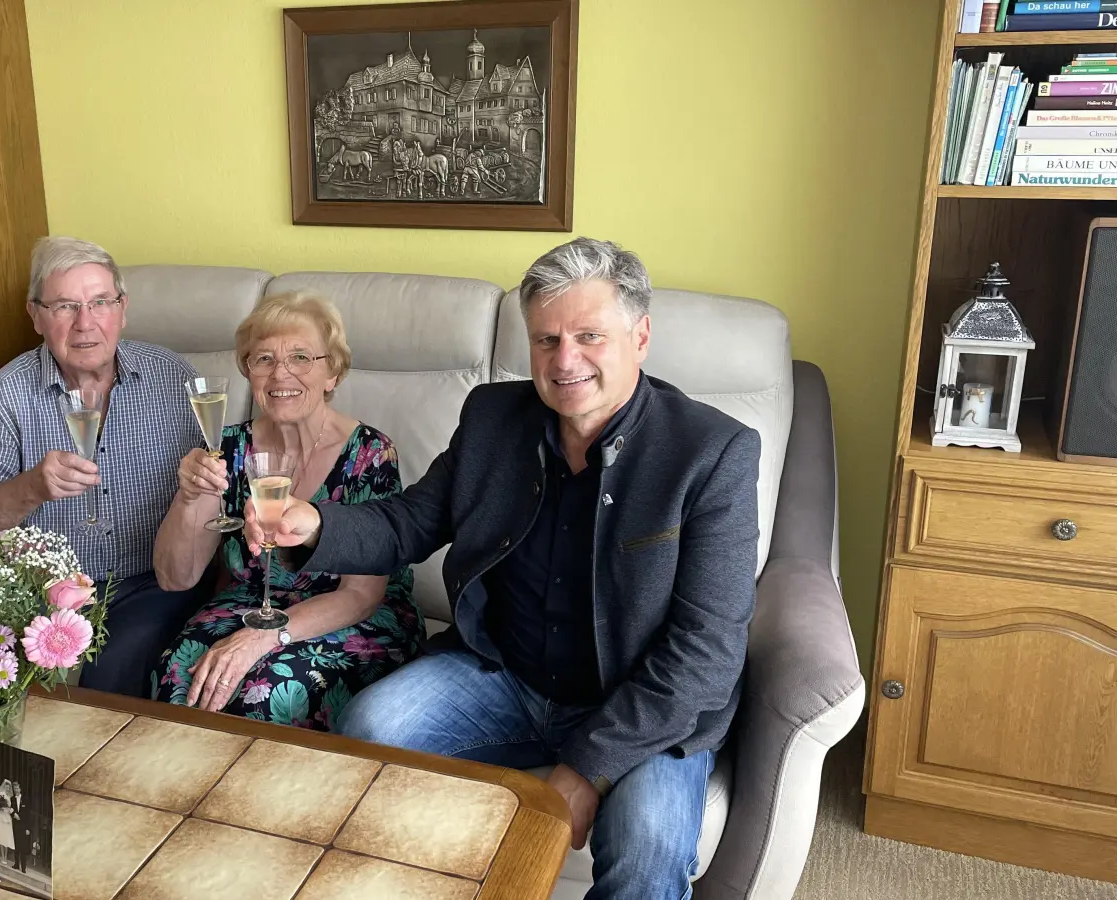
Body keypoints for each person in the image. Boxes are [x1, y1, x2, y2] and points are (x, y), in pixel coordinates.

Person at [244, 237, 762, 900]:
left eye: (588, 336)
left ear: (641, 336)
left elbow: (707, 653)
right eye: (546, 340)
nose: (565, 360)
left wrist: (583, 769)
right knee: (371, 730)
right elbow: (411, 521)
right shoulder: (494, 417)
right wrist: (314, 524)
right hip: (506, 676)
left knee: (648, 847)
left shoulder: (712, 453)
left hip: (639, 704)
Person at [150, 291, 424, 729]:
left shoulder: (369, 453)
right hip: (249, 605)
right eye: (263, 359)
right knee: (180, 674)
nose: (281, 373)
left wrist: (261, 640)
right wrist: (188, 498)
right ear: (248, 372)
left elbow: (361, 595)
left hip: (350, 616)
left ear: (332, 372)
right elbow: (176, 577)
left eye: (301, 357)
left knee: (271, 694)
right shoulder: (227, 449)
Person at [0, 236, 209, 696]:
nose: (86, 323)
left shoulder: (174, 378)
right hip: (45, 589)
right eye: (65, 306)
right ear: (35, 315)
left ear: (123, 308)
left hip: (153, 581)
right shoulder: (3, 395)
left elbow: (211, 493)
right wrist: (32, 487)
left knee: (111, 668)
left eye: (100, 303)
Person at [0, 779, 16, 866]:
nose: (8, 788)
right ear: (4, 786)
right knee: (1, 836)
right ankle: (3, 856)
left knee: (6, 837)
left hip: (7, 817)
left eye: (9, 787)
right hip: (0, 816)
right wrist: (1, 807)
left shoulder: (9, 796)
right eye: (6, 786)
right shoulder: (0, 794)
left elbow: (10, 807)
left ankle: (6, 856)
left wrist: (8, 809)